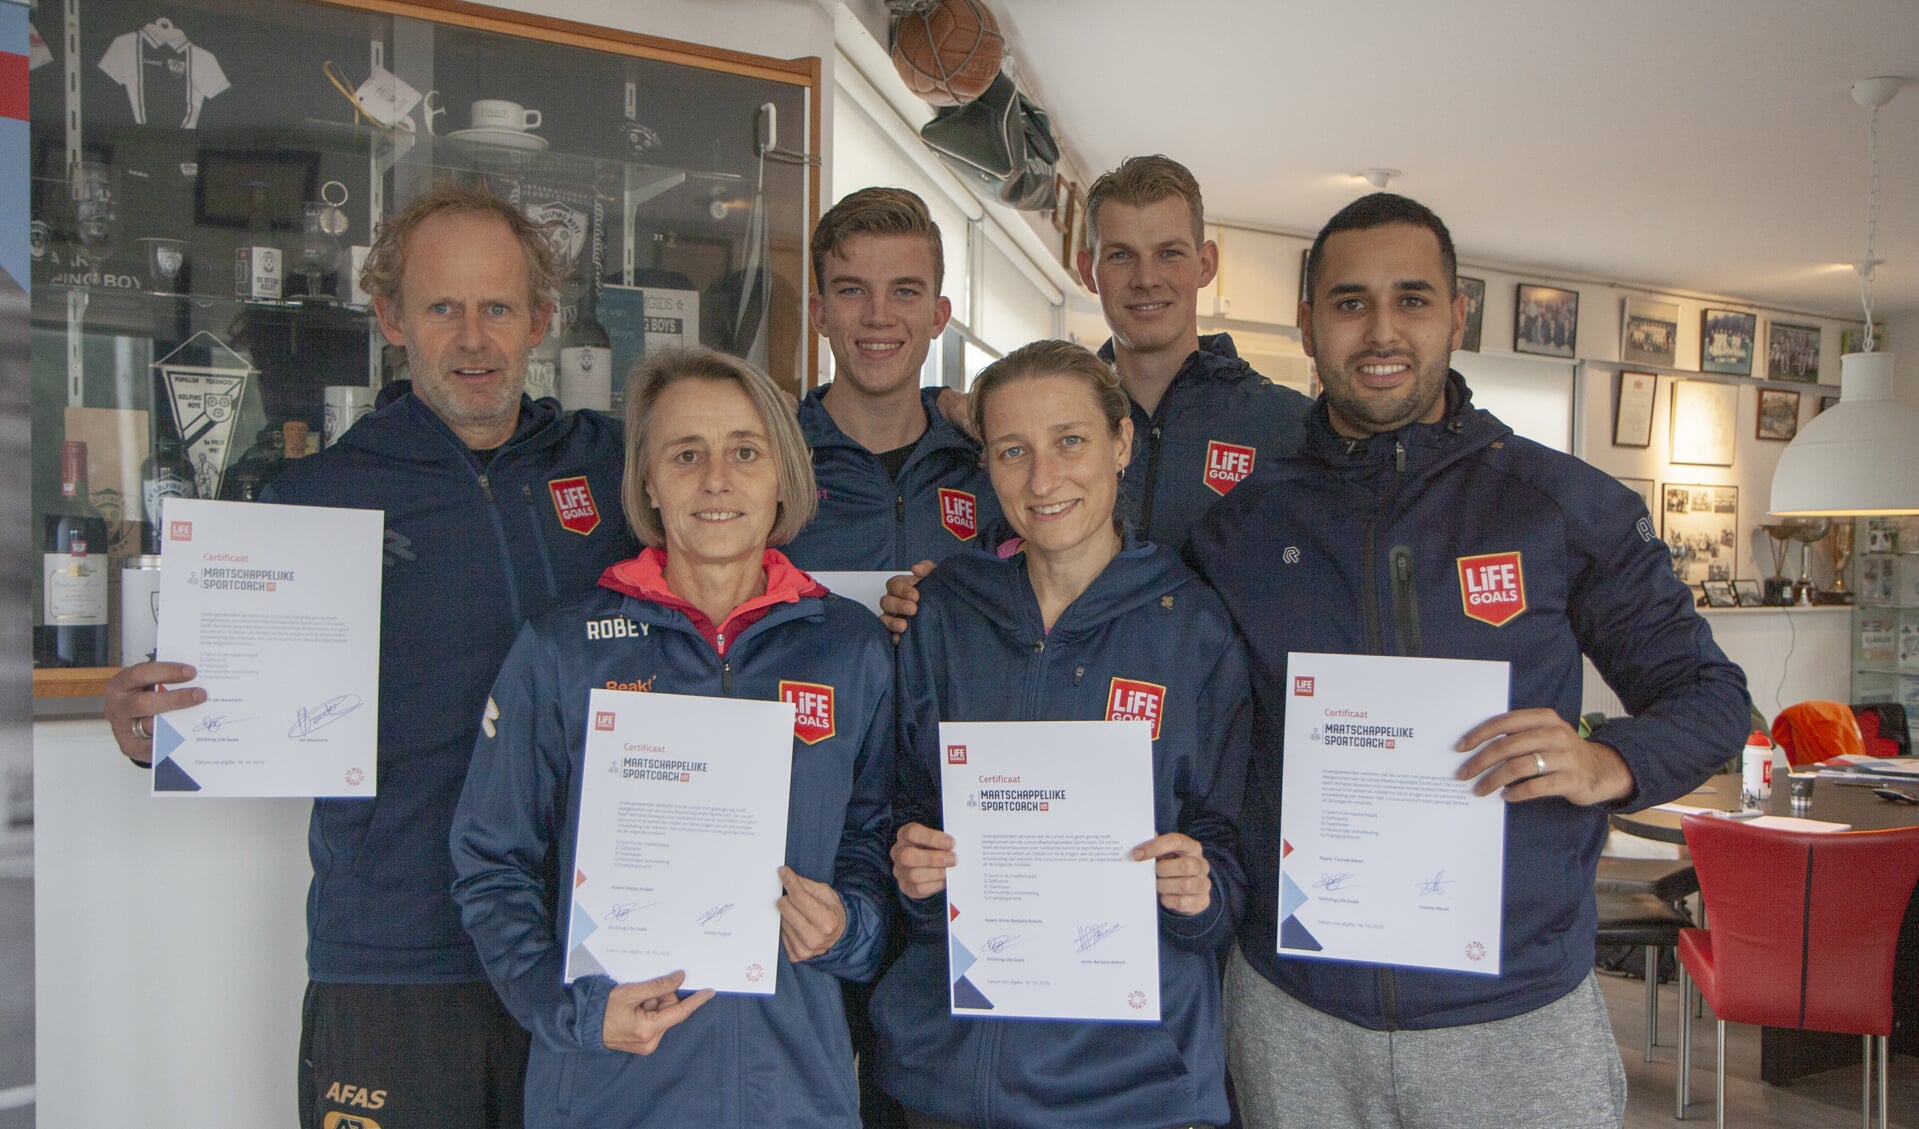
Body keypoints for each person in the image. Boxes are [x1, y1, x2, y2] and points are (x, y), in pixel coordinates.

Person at [1187, 192, 1749, 1129]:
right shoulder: (1243, 524)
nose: (1380, 329)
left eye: (1411, 299)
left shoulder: (1560, 503)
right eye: (1348, 300)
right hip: (1297, 1012)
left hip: (1515, 1013)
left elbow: (1710, 695)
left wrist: (1609, 760)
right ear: (1307, 324)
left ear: (1457, 314)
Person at [102, 183, 639, 1129]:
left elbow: (756, 483)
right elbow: (219, 702)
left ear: (541, 321)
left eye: (498, 308)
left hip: (585, 953)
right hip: (394, 957)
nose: (473, 339)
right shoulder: (314, 496)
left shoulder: (619, 471)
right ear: (391, 316)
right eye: (442, 307)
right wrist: (155, 727)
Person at [449, 347, 895, 1128]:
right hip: (609, 1090)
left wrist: (846, 927)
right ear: (648, 483)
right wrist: (576, 1012)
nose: (716, 478)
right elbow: (491, 863)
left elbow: (874, 839)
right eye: (685, 454)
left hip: (792, 1091)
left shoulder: (848, 648)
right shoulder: (566, 648)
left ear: (783, 476)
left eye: (744, 452)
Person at [874, 339, 1251, 1129]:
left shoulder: (1195, 625)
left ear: (1121, 443)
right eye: (1012, 450)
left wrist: (1198, 889)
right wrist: (911, 868)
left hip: (1132, 1086)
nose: (1042, 479)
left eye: (1070, 441)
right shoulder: (944, 614)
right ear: (986, 462)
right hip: (951, 1078)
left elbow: (1229, 843)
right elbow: (898, 808)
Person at [883, 156, 1309, 626]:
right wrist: (937, 597)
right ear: (1088, 270)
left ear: (1205, 263)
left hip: (1217, 695)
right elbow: (1000, 551)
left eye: (1169, 252)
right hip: (1060, 686)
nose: (1146, 278)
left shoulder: (1288, 428)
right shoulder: (1029, 426)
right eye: (1121, 255)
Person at [782, 187, 1003, 571]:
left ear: (938, 317)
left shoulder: (987, 464)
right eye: (853, 290)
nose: (878, 315)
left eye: (904, 291)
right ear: (820, 314)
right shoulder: (771, 458)